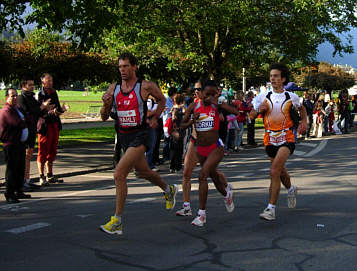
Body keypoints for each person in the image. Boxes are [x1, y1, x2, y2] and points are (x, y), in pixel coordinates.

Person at [99, 52, 177, 235]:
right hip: (124, 135)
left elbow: (162, 100)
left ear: (134, 67)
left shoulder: (145, 86)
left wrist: (155, 116)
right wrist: (106, 104)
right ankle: (168, 189)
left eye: (126, 66)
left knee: (119, 174)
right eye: (120, 67)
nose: (122, 70)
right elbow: (103, 117)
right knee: (143, 172)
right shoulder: (113, 89)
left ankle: (117, 220)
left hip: (141, 134)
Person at [250, 63, 307, 221]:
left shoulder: (291, 96)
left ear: (283, 79)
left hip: (287, 137)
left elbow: (301, 108)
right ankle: (291, 189)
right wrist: (258, 111)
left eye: (276, 76)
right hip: (270, 139)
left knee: (274, 170)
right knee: (281, 171)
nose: (273, 79)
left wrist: (304, 122)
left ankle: (271, 209)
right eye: (271, 76)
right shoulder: (263, 97)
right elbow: (251, 116)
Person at [181, 80, 237, 226]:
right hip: (200, 147)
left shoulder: (216, 106)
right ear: (201, 94)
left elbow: (236, 112)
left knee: (202, 175)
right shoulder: (194, 106)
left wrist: (220, 105)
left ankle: (201, 215)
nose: (210, 97)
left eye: (213, 94)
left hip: (215, 147)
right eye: (207, 94)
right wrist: (192, 120)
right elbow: (181, 125)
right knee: (214, 177)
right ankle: (226, 194)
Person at [18, 77, 54, 190]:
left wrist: (45, 108)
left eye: (33, 84)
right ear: (23, 86)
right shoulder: (21, 98)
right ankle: (23, 181)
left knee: (29, 155)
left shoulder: (31, 97)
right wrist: (42, 107)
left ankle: (27, 180)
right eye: (30, 85)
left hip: (33, 129)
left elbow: (38, 110)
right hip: (26, 129)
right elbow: (28, 112)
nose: (32, 86)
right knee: (25, 156)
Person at [36, 73, 68, 186]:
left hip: (54, 124)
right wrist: (49, 111)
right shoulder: (39, 94)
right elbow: (39, 112)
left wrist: (62, 110)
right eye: (48, 81)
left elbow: (57, 108)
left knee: (52, 150)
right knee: (43, 150)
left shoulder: (54, 93)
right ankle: (41, 176)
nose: (50, 83)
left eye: (51, 81)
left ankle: (50, 174)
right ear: (42, 82)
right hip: (45, 126)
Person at [0, 88, 30, 203]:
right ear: (6, 98)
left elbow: (28, 118)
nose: (15, 97)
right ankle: (9, 193)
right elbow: (17, 123)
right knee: (12, 170)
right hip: (11, 144)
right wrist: (25, 121)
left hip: (20, 144)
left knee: (20, 168)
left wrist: (25, 120)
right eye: (12, 96)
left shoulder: (17, 109)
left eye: (16, 95)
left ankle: (19, 190)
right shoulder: (6, 110)